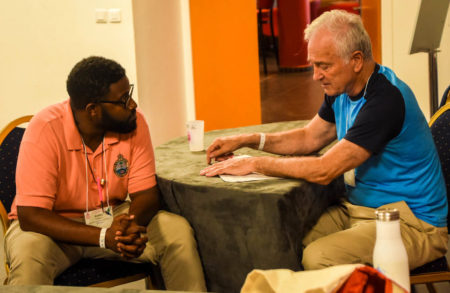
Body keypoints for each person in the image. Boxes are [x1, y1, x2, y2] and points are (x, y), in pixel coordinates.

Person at [200, 10, 448, 270]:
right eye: (314, 64)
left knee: (318, 258)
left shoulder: (386, 99)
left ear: (356, 60)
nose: (316, 75)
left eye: (324, 66)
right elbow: (309, 137)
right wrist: (247, 140)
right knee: (282, 238)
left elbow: (325, 169)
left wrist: (255, 164)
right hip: (361, 209)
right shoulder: (342, 87)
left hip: (413, 223)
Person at [5, 56, 206, 291]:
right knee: (29, 258)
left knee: (176, 231)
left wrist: (128, 226)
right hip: (52, 227)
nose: (133, 104)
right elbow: (31, 215)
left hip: (114, 217)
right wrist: (103, 236)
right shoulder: (46, 128)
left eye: (129, 93)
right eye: (123, 100)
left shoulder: (135, 123)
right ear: (93, 110)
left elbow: (146, 195)